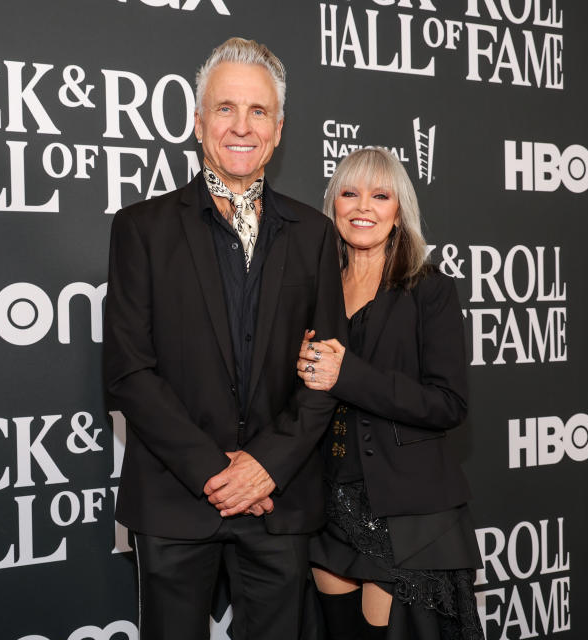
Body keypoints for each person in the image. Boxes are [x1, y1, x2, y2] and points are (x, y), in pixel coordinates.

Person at [103, 37, 345, 640]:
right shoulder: (142, 229)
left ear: (280, 128)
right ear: (198, 120)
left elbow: (326, 372)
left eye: (258, 111)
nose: (242, 126)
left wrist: (266, 466)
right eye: (226, 108)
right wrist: (220, 473)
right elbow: (129, 373)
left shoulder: (314, 234)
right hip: (174, 497)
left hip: (277, 500)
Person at [298, 148, 484, 640]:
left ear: (399, 210)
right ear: (332, 204)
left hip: (405, 512)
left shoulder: (429, 289)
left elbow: (449, 404)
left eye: (380, 195)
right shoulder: (313, 291)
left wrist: (348, 374)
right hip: (323, 502)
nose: (364, 207)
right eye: (349, 193)